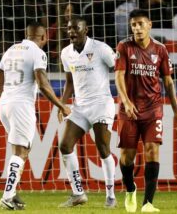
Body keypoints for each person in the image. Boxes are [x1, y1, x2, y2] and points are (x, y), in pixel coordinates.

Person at [0, 21, 71, 210]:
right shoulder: (37, 52)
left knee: (19, 151)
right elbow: (42, 84)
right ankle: (7, 196)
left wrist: (7, 100)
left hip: (3, 104)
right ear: (44, 37)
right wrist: (61, 105)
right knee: (21, 151)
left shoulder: (10, 49)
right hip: (21, 105)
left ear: (26, 34)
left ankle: (11, 192)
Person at [115, 9, 177, 213]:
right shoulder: (124, 47)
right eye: (133, 25)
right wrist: (126, 102)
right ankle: (130, 189)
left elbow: (169, 82)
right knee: (127, 157)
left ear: (149, 25)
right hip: (129, 110)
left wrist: (176, 111)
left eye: (140, 24)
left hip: (153, 109)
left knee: (152, 151)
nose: (137, 28)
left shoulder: (161, 50)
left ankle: (148, 203)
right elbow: (119, 77)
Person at [58, 16, 117, 209]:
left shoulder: (101, 49)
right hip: (80, 107)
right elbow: (69, 81)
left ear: (86, 30)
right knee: (65, 145)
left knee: (102, 148)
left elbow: (120, 68)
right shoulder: (66, 53)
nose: (71, 32)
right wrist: (62, 104)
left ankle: (110, 196)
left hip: (101, 104)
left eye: (76, 28)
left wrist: (126, 95)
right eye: (69, 29)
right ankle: (78, 193)